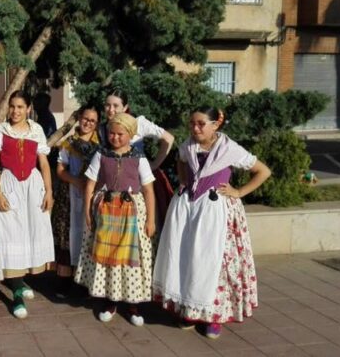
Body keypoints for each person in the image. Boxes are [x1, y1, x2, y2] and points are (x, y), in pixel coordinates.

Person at [153, 107, 271, 339]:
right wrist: (184, 180)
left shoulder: (230, 149)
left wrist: (238, 191)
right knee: (187, 258)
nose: (195, 128)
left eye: (200, 124)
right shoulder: (188, 146)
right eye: (192, 123)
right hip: (189, 210)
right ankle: (189, 310)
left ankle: (212, 316)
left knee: (212, 262)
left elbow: (263, 171)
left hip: (216, 212)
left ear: (215, 125)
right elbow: (181, 161)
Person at [74, 113, 156, 326]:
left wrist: (151, 221)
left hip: (132, 214)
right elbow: (90, 184)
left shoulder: (139, 157)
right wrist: (87, 214)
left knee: (131, 258)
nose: (115, 137)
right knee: (108, 256)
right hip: (107, 211)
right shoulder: (101, 154)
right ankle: (111, 301)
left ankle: (133, 304)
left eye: (120, 134)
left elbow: (148, 190)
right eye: (112, 133)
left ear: (130, 134)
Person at [0, 90, 55, 319]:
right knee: (11, 234)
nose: (15, 111)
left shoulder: (36, 130)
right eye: (12, 106)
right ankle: (15, 290)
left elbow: (44, 163)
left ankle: (20, 279)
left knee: (29, 232)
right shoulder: (0, 131)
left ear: (28, 108)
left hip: (33, 186)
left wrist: (49, 192)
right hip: (10, 184)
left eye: (20, 107)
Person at [101, 91, 175, 230]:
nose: (111, 110)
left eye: (115, 106)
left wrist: (155, 164)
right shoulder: (103, 128)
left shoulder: (138, 123)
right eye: (107, 105)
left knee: (141, 225)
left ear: (125, 107)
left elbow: (168, 139)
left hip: (138, 183)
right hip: (113, 185)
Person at [51, 104, 101, 298]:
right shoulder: (68, 143)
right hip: (70, 193)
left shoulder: (101, 145)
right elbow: (60, 170)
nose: (88, 123)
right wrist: (76, 181)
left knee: (87, 234)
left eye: (92, 120)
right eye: (85, 118)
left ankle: (84, 280)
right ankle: (64, 281)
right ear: (79, 118)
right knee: (67, 234)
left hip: (91, 194)